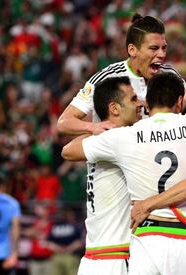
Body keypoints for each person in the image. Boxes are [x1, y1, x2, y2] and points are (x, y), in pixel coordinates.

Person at [62, 72, 186, 274]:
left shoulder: (125, 136)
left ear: (148, 106)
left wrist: (98, 127)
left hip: (146, 240)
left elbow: (68, 151)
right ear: (179, 102)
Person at [57, 13, 186, 135]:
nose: (161, 54)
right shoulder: (107, 78)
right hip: (112, 177)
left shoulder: (169, 74)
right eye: (154, 48)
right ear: (132, 49)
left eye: (164, 47)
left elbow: (183, 114)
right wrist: (92, 127)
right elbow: (64, 123)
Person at [63, 76, 143, 275]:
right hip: (118, 259)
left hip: (92, 258)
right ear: (115, 108)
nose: (140, 103)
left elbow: (67, 150)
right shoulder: (121, 139)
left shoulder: (101, 141)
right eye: (133, 99)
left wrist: (92, 129)